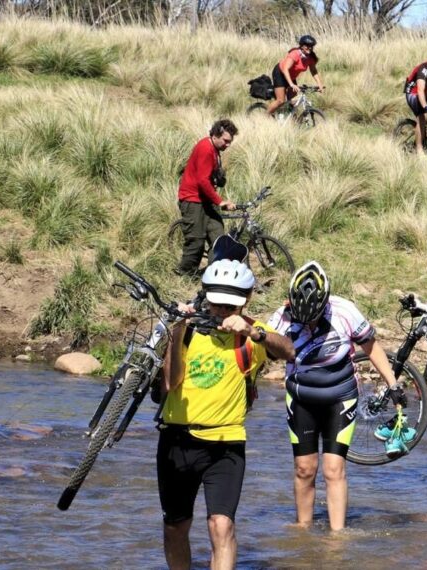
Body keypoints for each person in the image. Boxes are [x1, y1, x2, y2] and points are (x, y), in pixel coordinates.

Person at [158, 259, 294, 570]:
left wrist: (253, 332)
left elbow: (289, 350)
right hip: (177, 439)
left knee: (222, 525)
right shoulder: (189, 330)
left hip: (226, 443)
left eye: (229, 307)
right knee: (175, 527)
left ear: (245, 300)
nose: (221, 311)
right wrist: (177, 331)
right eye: (216, 303)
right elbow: (169, 383)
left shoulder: (251, 333)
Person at [267, 261, 407, 531]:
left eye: (314, 317)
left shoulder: (345, 311)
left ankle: (337, 536)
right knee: (304, 469)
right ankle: (303, 532)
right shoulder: (282, 315)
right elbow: (261, 347)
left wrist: (393, 385)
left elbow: (372, 347)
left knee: (333, 469)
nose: (308, 323)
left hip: (340, 398)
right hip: (300, 398)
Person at [175, 120, 238, 277]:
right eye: (226, 141)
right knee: (196, 241)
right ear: (215, 135)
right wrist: (220, 201)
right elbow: (202, 181)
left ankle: (213, 274)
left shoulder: (214, 149)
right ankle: (185, 274)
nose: (228, 145)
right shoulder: (205, 148)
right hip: (193, 201)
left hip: (205, 201)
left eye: (230, 141)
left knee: (219, 240)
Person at [267, 35, 325, 117]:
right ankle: (264, 117)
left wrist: (320, 84)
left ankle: (287, 117)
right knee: (280, 100)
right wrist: (291, 84)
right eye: (307, 46)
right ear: (301, 46)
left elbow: (313, 71)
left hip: (291, 76)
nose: (310, 48)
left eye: (311, 46)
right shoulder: (295, 54)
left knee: (291, 99)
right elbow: (285, 69)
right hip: (280, 73)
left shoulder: (310, 57)